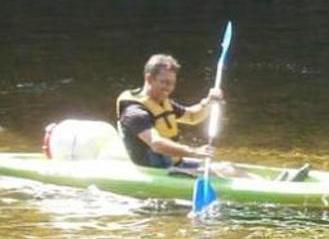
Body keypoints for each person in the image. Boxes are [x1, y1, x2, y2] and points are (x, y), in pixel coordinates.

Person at [116, 54, 306, 181]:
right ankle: (273, 188)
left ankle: (270, 184)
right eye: (164, 82)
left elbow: (191, 116)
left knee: (228, 166)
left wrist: (209, 101)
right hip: (156, 171)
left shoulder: (162, 101)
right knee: (219, 171)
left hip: (174, 163)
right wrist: (194, 151)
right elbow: (156, 143)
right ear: (149, 78)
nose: (169, 88)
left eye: (172, 83)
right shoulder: (135, 111)